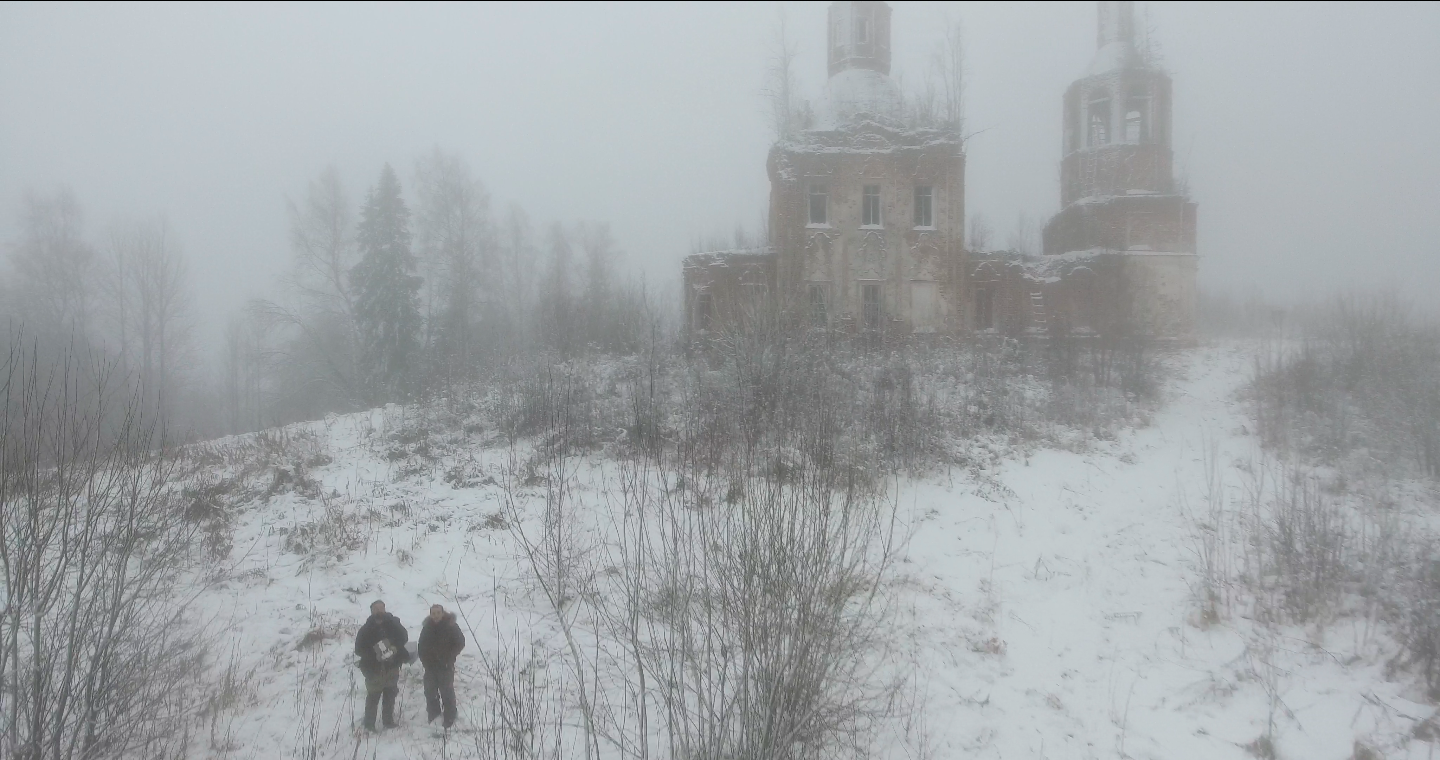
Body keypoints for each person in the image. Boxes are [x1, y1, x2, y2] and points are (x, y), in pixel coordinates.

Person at [354, 600, 409, 732]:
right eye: (375, 608)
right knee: (373, 697)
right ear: (371, 611)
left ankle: (388, 721)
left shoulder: (394, 624)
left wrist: (393, 648)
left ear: (385, 609)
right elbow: (358, 650)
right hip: (374, 669)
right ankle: (369, 725)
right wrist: (376, 653)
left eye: (381, 608)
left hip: (392, 666)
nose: (379, 611)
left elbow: (404, 638)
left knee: (390, 694)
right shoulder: (365, 629)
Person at [417, 603, 466, 728]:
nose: (436, 615)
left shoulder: (451, 626)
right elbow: (421, 646)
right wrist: (425, 661)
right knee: (430, 692)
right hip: (430, 666)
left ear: (443, 613)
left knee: (446, 692)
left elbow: (460, 642)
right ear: (430, 614)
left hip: (445, 665)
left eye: (438, 613)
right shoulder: (427, 627)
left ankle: (450, 716)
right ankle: (434, 715)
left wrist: (449, 657)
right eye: (433, 613)